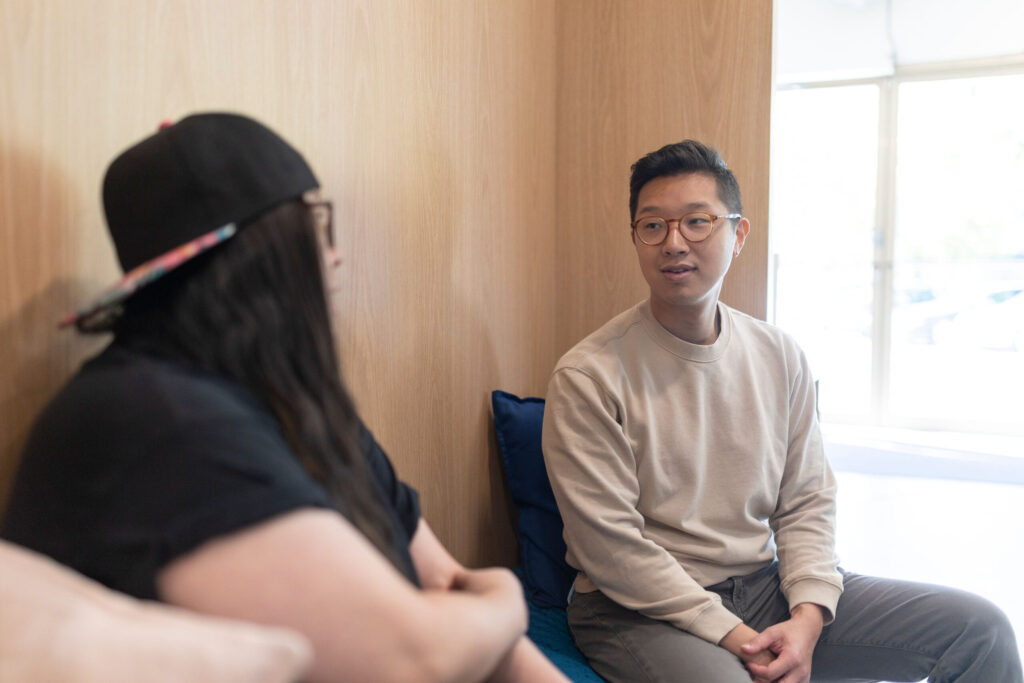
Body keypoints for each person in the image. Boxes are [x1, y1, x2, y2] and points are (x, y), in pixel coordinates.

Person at [1, 113, 568, 683]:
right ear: (264, 252)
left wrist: (486, 614)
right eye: (317, 223)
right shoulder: (150, 418)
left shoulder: (303, 409)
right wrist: (506, 597)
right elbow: (416, 659)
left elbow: (447, 590)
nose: (337, 254)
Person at [541, 139, 1023, 683]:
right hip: (637, 610)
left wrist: (808, 618)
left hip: (762, 587)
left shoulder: (779, 355)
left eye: (697, 222)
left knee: (981, 630)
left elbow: (806, 501)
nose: (674, 243)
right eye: (653, 226)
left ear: (738, 234)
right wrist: (743, 640)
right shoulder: (588, 376)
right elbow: (612, 550)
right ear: (636, 238)